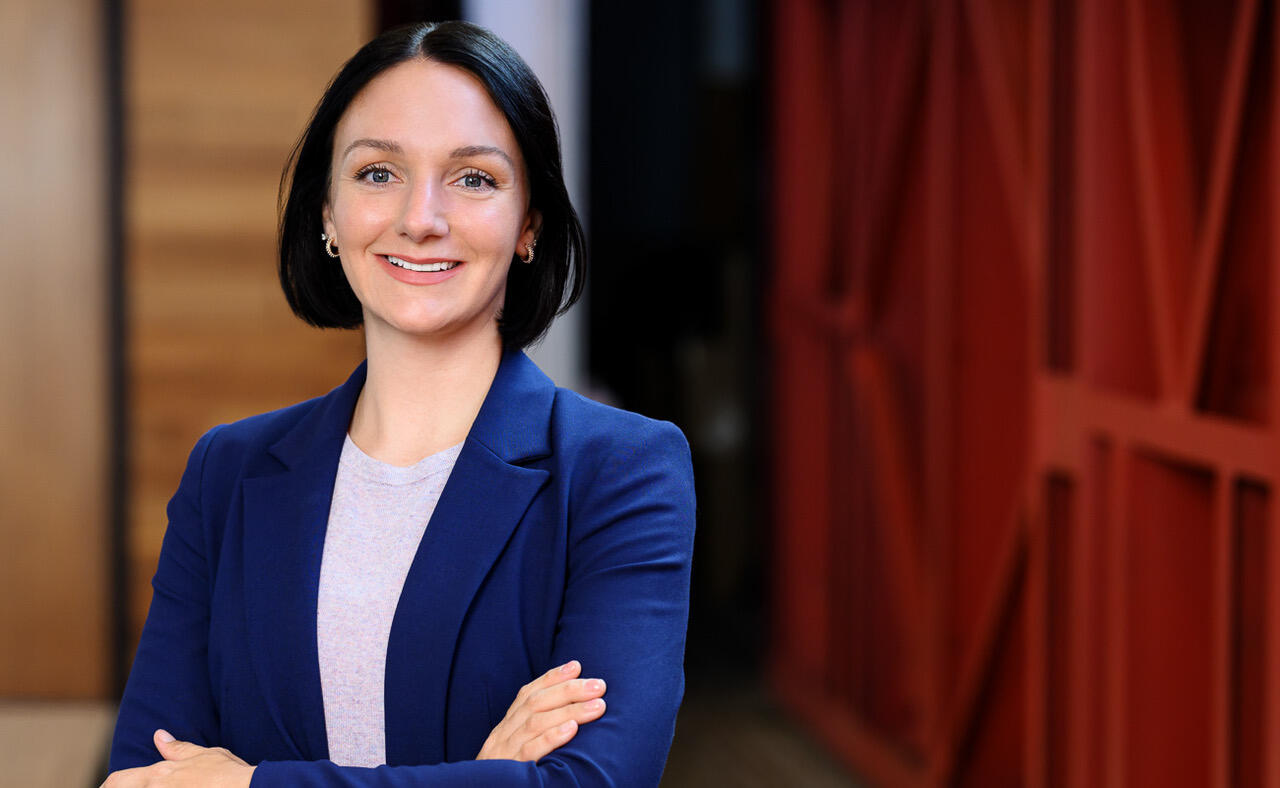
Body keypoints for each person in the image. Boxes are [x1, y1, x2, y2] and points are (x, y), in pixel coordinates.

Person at [104, 20, 695, 788]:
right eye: (378, 173)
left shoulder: (620, 472)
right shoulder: (227, 472)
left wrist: (249, 782)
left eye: (473, 178)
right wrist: (478, 776)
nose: (421, 217)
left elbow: (590, 782)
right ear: (326, 212)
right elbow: (142, 780)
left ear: (529, 225)